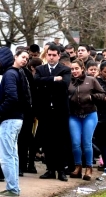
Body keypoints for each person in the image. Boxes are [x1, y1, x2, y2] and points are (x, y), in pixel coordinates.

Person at [34, 44, 71, 182]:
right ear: (46, 54)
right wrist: (54, 79)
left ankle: (61, 170)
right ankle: (50, 169)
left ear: (58, 56)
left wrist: (46, 82)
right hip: (45, 110)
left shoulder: (65, 69)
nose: (51, 57)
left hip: (60, 110)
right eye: (49, 54)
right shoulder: (40, 69)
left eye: (54, 55)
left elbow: (65, 84)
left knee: (60, 140)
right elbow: (36, 81)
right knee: (47, 141)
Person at [0, 50, 32, 196]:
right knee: (12, 155)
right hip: (16, 118)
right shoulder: (18, 73)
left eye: (27, 58)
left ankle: (13, 189)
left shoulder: (10, 74)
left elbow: (11, 98)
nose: (25, 60)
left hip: (9, 119)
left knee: (7, 156)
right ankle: (14, 188)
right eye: (23, 57)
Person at [68, 59, 106, 181]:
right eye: (72, 69)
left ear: (82, 68)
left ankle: (89, 167)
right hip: (74, 115)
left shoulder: (91, 80)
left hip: (89, 114)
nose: (74, 71)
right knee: (75, 142)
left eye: (76, 68)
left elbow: (102, 94)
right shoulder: (68, 81)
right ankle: (77, 166)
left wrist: (91, 97)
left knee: (86, 141)